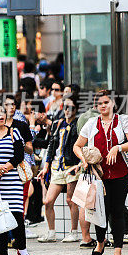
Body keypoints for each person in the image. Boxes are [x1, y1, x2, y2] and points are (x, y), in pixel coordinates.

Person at [73, 90, 128, 255]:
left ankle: (118, 249)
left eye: (106, 102)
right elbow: (77, 146)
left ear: (113, 103)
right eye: (99, 103)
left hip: (120, 172)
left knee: (117, 210)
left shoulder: (123, 120)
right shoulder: (91, 123)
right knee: (100, 210)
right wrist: (83, 159)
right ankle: (100, 242)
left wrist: (118, 147)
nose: (102, 106)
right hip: (98, 174)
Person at [0, 105, 33, 255]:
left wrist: (5, 167)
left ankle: (22, 248)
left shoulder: (13, 132)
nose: (0, 115)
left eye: (2, 113)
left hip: (12, 179)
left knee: (17, 214)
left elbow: (19, 154)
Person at [38, 97, 85, 244]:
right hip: (57, 166)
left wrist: (78, 164)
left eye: (70, 107)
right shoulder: (59, 124)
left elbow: (80, 146)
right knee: (48, 201)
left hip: (71, 166)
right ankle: (51, 232)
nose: (66, 110)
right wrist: (46, 165)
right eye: (65, 107)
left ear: (76, 109)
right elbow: (52, 144)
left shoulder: (78, 125)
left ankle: (74, 232)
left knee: (71, 200)